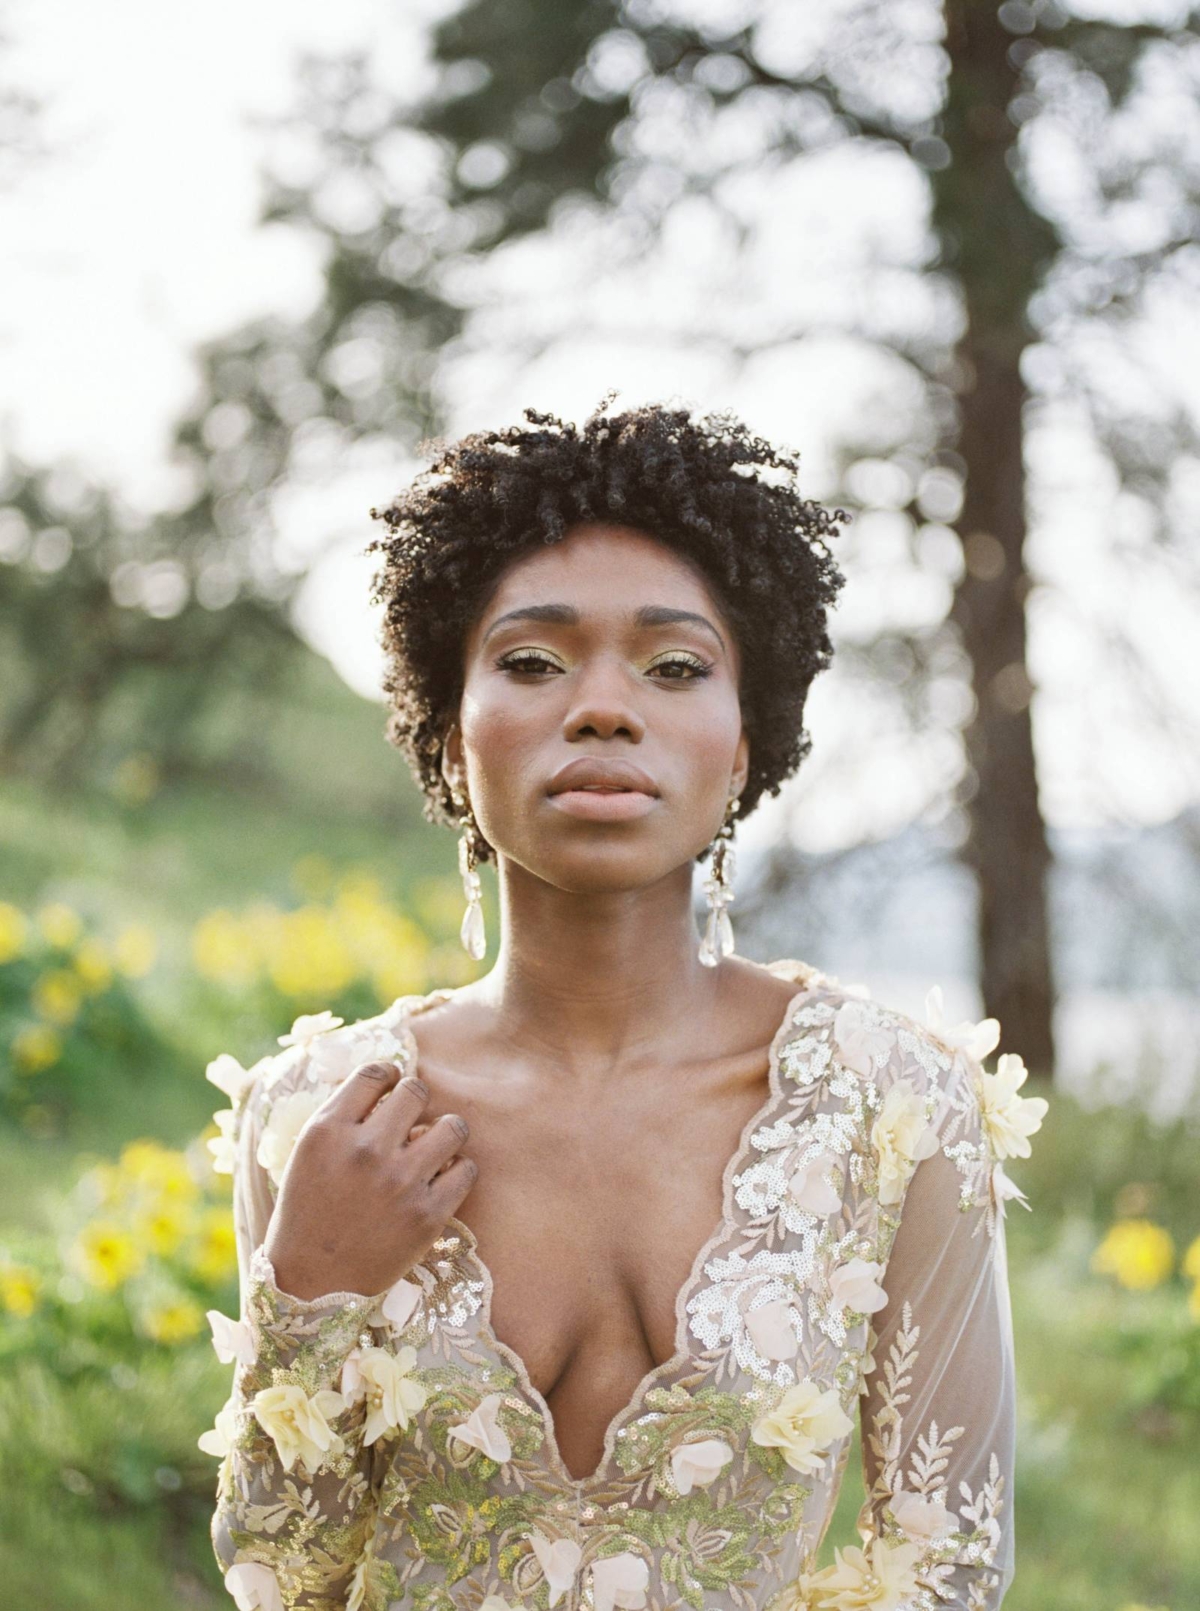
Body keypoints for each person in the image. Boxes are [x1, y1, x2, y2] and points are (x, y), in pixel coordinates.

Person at [203, 397, 1047, 1611]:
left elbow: (948, 1571)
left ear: (746, 745)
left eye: (675, 666)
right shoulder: (323, 1117)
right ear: (449, 739)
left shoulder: (893, 1108)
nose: (604, 706)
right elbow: (287, 1576)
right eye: (534, 661)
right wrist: (312, 1292)